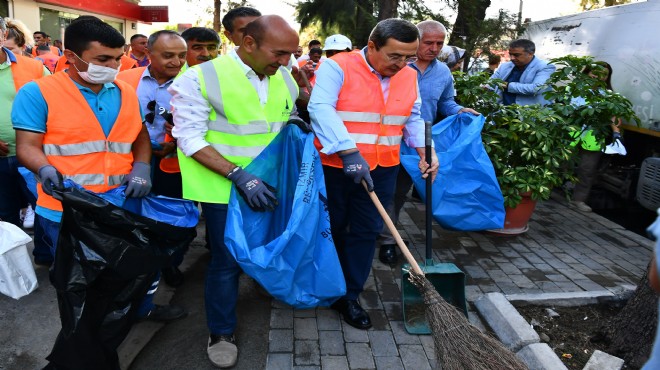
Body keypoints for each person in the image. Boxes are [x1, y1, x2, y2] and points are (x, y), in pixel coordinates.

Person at [170, 15, 300, 368]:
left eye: (291, 53)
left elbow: (277, 122)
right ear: (248, 44)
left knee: (263, 246)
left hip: (269, 187)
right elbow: (190, 138)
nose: (286, 61)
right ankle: (221, 331)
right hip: (223, 189)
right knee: (226, 263)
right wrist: (239, 175)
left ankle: (261, 283)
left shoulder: (284, 77)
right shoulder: (199, 78)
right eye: (280, 53)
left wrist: (293, 125)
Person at [309, 18, 439, 330]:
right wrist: (348, 151)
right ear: (372, 46)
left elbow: (413, 116)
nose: (402, 64)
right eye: (395, 56)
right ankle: (326, 284)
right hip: (336, 167)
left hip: (383, 167)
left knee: (367, 231)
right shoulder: (337, 66)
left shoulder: (408, 75)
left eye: (409, 57)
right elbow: (320, 109)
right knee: (334, 228)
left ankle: (349, 296)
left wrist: (427, 152)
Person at [377, 20, 479, 266]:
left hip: (420, 143)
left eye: (439, 43)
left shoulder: (443, 71)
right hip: (389, 138)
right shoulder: (396, 64)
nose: (434, 48)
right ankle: (387, 240)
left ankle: (385, 233)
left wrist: (460, 110)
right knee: (388, 190)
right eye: (429, 42)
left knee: (402, 192)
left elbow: (445, 103)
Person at [1, 17, 50, 262]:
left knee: (42, 207)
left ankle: (44, 255)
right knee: (4, 214)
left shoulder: (32, 67)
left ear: (2, 34)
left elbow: (55, 102)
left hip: (32, 155)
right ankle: (12, 263)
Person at [569, 62, 621, 213]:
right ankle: (546, 191)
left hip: (594, 137)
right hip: (570, 133)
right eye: (595, 73)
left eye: (604, 74)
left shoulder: (609, 96)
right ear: (587, 73)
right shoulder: (572, 89)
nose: (599, 77)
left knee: (587, 170)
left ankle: (578, 200)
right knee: (562, 164)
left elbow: (614, 116)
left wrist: (617, 133)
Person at [491, 39, 555, 106]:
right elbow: (491, 83)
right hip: (504, 111)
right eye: (510, 54)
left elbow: (536, 88)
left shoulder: (545, 66)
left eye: (516, 55)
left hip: (530, 113)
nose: (512, 58)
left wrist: (507, 85)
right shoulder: (505, 66)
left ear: (530, 54)